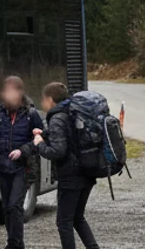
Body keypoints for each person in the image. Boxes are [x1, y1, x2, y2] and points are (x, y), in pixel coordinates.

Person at [34, 82, 99, 249]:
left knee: (64, 222)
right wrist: (46, 135)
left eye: (43, 99)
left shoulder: (57, 118)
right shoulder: (73, 112)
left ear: (49, 99)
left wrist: (40, 144)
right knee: (78, 217)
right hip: (88, 171)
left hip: (70, 176)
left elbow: (58, 151)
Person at [0, 76, 44, 249]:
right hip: (2, 168)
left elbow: (41, 140)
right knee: (6, 208)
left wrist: (23, 151)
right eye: (6, 91)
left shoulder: (31, 115)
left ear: (20, 93)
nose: (7, 96)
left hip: (23, 167)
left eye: (11, 91)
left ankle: (13, 244)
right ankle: (17, 244)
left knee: (15, 206)